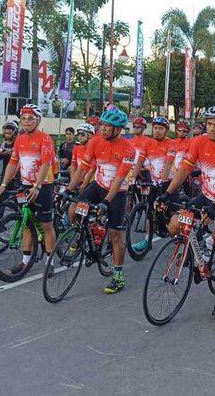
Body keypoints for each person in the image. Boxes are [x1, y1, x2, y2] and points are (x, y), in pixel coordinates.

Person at [158, 105, 215, 319]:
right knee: (175, 223)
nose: (212, 128)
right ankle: (199, 244)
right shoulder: (198, 142)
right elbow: (184, 169)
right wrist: (168, 193)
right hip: (205, 196)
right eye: (210, 124)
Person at [64, 106, 135, 294]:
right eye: (102, 125)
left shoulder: (128, 149)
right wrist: (69, 189)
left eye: (107, 126)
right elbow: (82, 169)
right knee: (72, 209)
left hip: (117, 192)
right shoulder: (95, 142)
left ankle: (118, 275)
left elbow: (119, 178)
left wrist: (106, 202)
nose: (102, 129)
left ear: (118, 130)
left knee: (115, 235)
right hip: (98, 185)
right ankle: (87, 234)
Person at [0, 104, 57, 276]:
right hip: (25, 184)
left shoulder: (45, 138)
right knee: (27, 224)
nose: (26, 122)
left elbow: (46, 163)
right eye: (24, 118)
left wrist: (37, 185)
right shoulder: (20, 139)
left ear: (38, 120)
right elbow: (13, 163)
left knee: (46, 224)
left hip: (43, 185)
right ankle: (25, 262)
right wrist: (3, 185)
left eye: (30, 118)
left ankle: (50, 261)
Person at [130, 116, 176, 253]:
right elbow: (139, 162)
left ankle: (180, 240)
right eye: (155, 128)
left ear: (166, 130)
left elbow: (168, 164)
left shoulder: (171, 144)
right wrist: (132, 179)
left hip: (169, 182)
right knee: (150, 212)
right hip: (154, 182)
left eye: (161, 128)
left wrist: (162, 180)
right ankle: (147, 241)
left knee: (173, 213)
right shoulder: (147, 144)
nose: (157, 131)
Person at [70, 123, 96, 189]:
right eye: (78, 134)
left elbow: (92, 170)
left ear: (90, 135)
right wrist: (73, 181)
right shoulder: (76, 148)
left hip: (90, 182)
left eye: (82, 134)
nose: (79, 137)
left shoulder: (94, 150)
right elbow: (73, 166)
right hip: (78, 180)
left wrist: (83, 185)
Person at [0, 121, 18, 186]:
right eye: (6, 133)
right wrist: (0, 154)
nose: (7, 135)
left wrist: (9, 153)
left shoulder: (17, 143)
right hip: (5, 170)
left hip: (16, 171)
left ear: (14, 133)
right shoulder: (4, 144)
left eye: (9, 133)